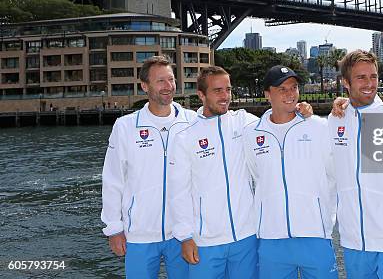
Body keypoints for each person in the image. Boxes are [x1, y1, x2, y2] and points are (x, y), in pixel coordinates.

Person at [169, 66, 314, 279]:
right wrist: (185, 236)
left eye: (228, 89)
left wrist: (301, 108)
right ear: (201, 94)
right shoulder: (184, 137)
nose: (225, 96)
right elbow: (178, 191)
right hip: (206, 240)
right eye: (217, 90)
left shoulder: (244, 122)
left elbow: (276, 121)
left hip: (247, 236)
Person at [101, 55, 197, 278]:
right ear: (144, 86)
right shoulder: (125, 126)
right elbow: (113, 179)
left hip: (184, 233)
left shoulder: (193, 121)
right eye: (160, 81)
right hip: (139, 234)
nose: (168, 86)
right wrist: (114, 228)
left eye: (171, 79)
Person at [242, 65, 337, 279]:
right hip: (271, 236)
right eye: (282, 89)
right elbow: (257, 175)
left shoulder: (318, 127)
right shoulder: (251, 133)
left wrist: (325, 219)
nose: (290, 94)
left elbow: (332, 176)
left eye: (293, 88)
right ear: (267, 94)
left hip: (315, 234)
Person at [328, 50, 383, 278]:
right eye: (361, 77)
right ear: (346, 82)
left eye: (373, 76)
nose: (369, 83)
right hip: (353, 239)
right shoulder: (335, 120)